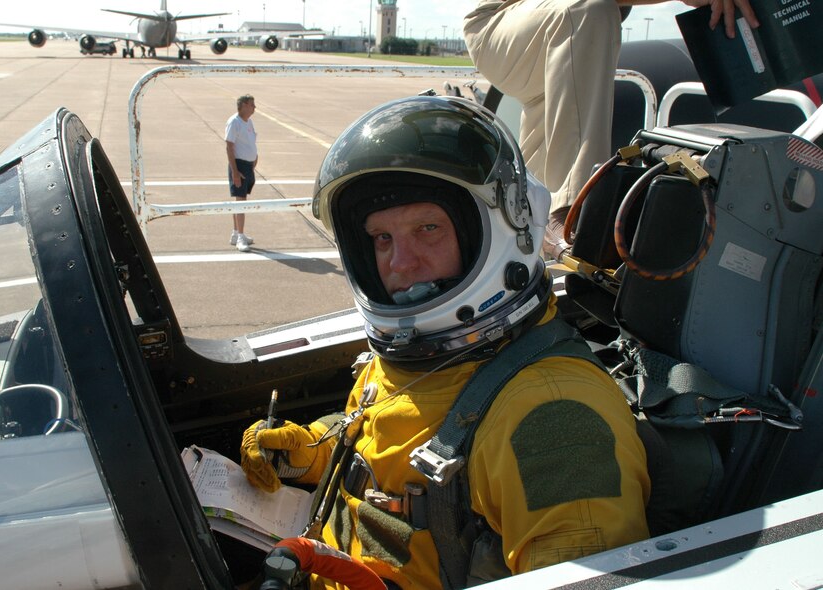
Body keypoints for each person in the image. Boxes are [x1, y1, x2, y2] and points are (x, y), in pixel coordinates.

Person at [240, 96, 650, 589]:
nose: (399, 264)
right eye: (381, 238)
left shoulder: (553, 418)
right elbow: (386, 436)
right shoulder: (418, 356)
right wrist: (308, 449)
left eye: (427, 229)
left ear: (501, 232)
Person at [462, 0, 760, 259]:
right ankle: (573, 209)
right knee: (590, 9)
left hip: (553, 28)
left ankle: (524, 227)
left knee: (540, 174)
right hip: (502, 22)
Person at [225, 94, 259, 252]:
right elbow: (229, 147)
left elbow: (250, 142)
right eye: (252, 104)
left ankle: (235, 233)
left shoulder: (248, 121)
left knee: (240, 200)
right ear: (244, 105)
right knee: (241, 202)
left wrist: (253, 161)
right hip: (239, 166)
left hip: (247, 166)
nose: (254, 107)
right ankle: (240, 236)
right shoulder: (234, 122)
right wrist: (235, 172)